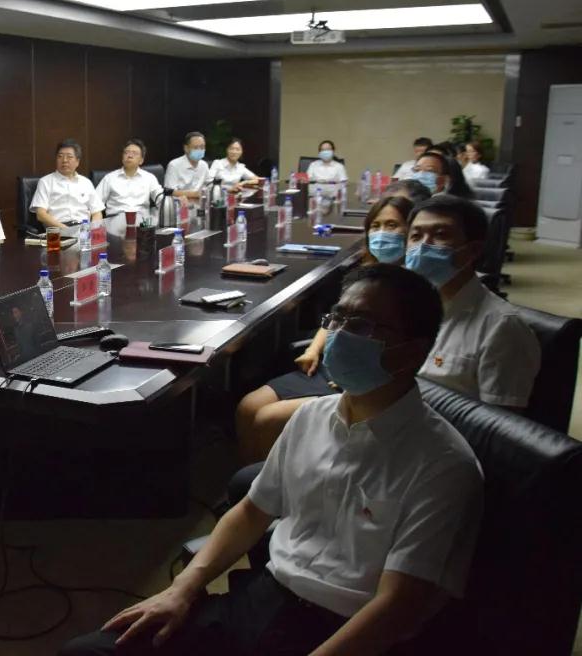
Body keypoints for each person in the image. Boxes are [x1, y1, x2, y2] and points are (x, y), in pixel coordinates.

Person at [61, 264, 483, 656]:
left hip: (343, 630)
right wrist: (182, 589)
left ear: (412, 351)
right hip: (261, 600)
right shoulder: (311, 417)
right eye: (336, 319)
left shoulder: (443, 465)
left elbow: (397, 608)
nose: (339, 335)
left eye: (361, 326)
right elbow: (251, 512)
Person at [234, 196, 417, 464]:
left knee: (267, 419)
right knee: (248, 405)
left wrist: (352, 376)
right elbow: (335, 318)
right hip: (330, 365)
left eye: (391, 225)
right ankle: (253, 481)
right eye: (375, 226)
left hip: (363, 380)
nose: (382, 233)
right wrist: (313, 349)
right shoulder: (366, 273)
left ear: (410, 231)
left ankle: (280, 483)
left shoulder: (415, 288)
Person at [406, 195, 540, 410]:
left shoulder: (503, 329)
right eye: (416, 236)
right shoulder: (402, 305)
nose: (423, 246)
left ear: (474, 250)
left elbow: (498, 425)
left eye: (440, 235)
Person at [30, 139, 104, 228]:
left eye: (69, 157)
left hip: (83, 229)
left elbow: (97, 213)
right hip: (57, 230)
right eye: (60, 156)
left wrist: (93, 228)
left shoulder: (86, 183)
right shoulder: (45, 182)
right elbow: (41, 214)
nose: (64, 160)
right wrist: (65, 229)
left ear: (77, 161)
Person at [94, 139, 163, 221]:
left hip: (142, 222)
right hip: (115, 222)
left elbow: (161, 200)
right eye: (126, 152)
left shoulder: (149, 178)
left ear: (141, 160)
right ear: (122, 158)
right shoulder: (109, 178)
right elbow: (95, 203)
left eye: (135, 153)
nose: (130, 156)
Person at [163, 131, 210, 201]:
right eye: (195, 147)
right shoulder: (174, 165)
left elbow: (209, 185)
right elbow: (169, 191)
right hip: (180, 204)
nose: (200, 150)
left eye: (202, 147)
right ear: (186, 148)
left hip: (200, 203)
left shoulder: (204, 165)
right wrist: (194, 194)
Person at [409, 152, 474, 199]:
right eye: (417, 170)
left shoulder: (446, 207)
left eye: (430, 171)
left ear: (444, 179)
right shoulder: (410, 199)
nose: (421, 175)